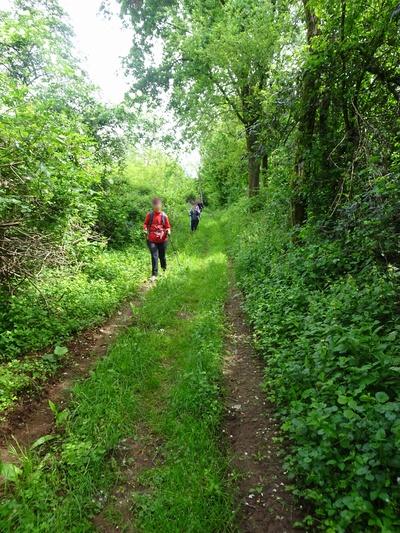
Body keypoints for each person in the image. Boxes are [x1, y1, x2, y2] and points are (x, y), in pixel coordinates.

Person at [143, 198, 171, 281]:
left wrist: (168, 231)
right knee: (154, 256)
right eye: (155, 205)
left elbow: (167, 226)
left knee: (162, 256)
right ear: (153, 206)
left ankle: (164, 270)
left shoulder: (164, 216)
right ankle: (154, 274)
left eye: (158, 205)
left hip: (163, 239)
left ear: (161, 205)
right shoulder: (150, 215)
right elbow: (145, 224)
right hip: (151, 239)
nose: (157, 207)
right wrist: (144, 229)